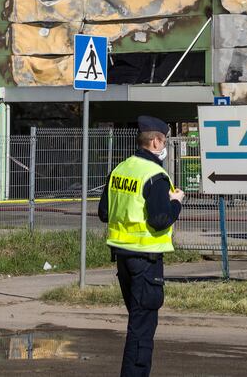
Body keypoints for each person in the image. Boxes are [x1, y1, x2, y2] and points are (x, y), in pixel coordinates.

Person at [97, 115, 184, 377]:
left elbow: (104, 212)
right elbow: (160, 220)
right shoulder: (155, 176)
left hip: (123, 257)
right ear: (156, 142)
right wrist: (176, 201)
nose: (165, 145)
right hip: (146, 261)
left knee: (137, 322)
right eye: (165, 140)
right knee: (142, 329)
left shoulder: (120, 170)